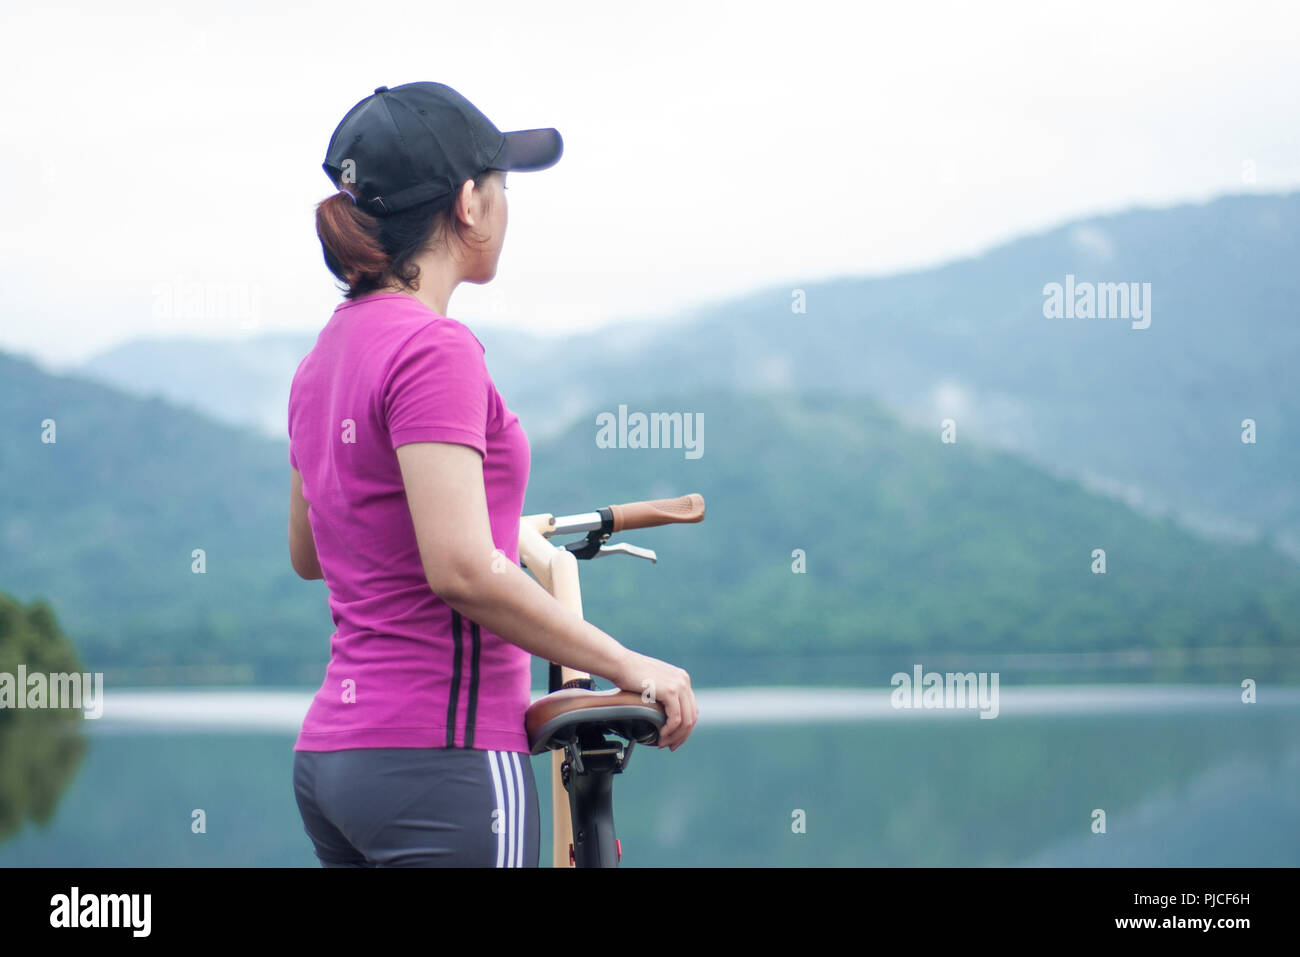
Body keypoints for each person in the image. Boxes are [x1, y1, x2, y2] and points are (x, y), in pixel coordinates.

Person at [288, 82, 697, 868]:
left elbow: (315, 552)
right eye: (503, 184)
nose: (509, 203)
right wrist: (628, 662)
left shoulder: (320, 361)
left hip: (336, 764)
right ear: (469, 204)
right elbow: (464, 570)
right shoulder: (434, 349)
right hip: (442, 761)